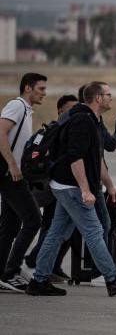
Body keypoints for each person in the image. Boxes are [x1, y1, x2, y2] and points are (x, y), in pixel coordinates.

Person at [26, 82, 116, 297]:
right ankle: (112, 279)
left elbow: (96, 156)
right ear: (98, 98)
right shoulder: (83, 121)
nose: (111, 98)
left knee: (56, 233)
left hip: (66, 185)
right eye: (108, 94)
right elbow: (76, 158)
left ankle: (39, 280)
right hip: (71, 187)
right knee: (94, 231)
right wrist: (85, 190)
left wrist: (109, 186)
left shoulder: (91, 119)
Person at [0, 73, 47, 292]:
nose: (44, 93)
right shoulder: (16, 106)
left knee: (9, 227)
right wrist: (12, 164)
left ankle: (3, 273)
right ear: (28, 88)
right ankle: (11, 271)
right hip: (10, 175)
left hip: (16, 175)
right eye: (41, 89)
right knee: (33, 220)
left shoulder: (27, 110)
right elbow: (0, 132)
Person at [23, 95, 78, 279]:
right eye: (70, 109)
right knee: (55, 228)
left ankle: (48, 265)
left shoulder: (58, 130)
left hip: (50, 185)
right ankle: (38, 262)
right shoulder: (58, 131)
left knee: (51, 227)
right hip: (50, 186)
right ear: (61, 110)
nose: (74, 112)